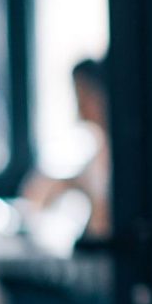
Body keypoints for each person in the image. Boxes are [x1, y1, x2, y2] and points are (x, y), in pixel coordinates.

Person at [19, 57, 112, 239]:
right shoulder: (98, 149)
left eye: (84, 95)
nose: (79, 106)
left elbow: (103, 224)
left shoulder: (122, 154)